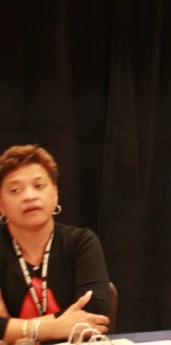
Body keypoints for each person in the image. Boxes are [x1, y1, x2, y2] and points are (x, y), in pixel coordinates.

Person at [0, 145, 111, 342]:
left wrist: (17, 329)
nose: (29, 196)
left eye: (39, 186)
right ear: (1, 205)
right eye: (15, 190)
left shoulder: (81, 242)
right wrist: (52, 327)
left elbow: (94, 314)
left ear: (55, 194)